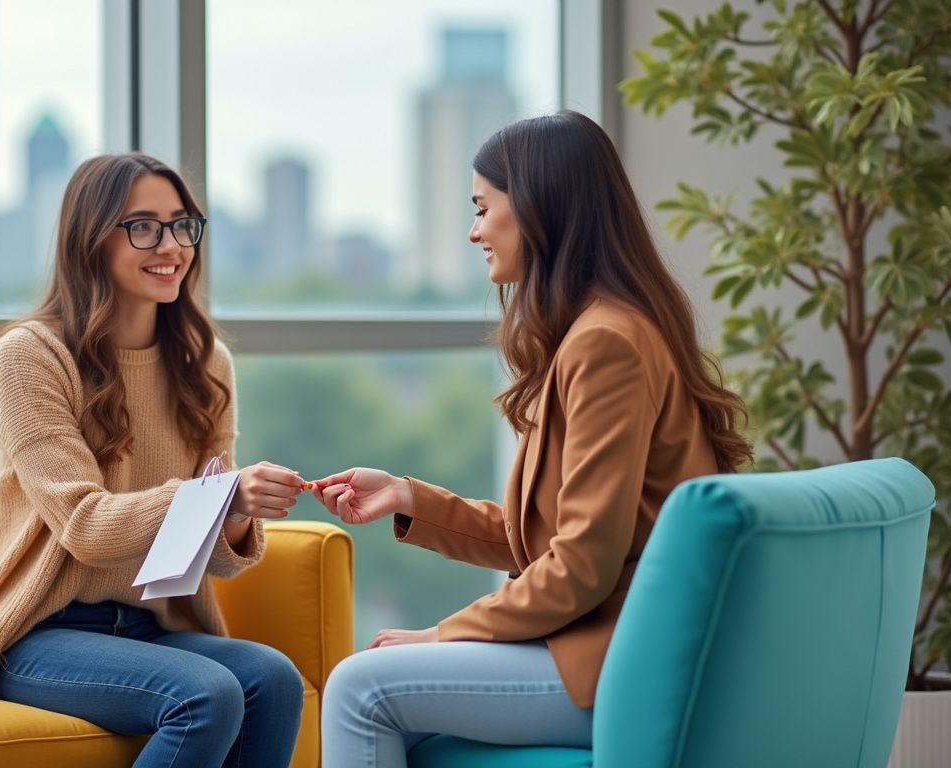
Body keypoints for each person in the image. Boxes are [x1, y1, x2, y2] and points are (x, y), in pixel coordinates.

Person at [312, 110, 753, 766]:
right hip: (610, 645)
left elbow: (580, 567)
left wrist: (442, 635)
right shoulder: (602, 331)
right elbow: (556, 539)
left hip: (617, 664)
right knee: (378, 687)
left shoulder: (606, 344)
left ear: (541, 208)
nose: (473, 230)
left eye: (483, 207)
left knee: (357, 688)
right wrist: (407, 497)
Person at [0, 153, 306, 768]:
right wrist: (218, 496)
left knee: (273, 678)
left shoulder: (206, 363)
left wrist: (239, 511)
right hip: (39, 637)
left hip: (148, 626)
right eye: (143, 226)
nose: (171, 245)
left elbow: (217, 561)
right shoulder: (32, 354)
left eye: (182, 225)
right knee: (207, 694)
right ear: (91, 240)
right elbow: (84, 527)